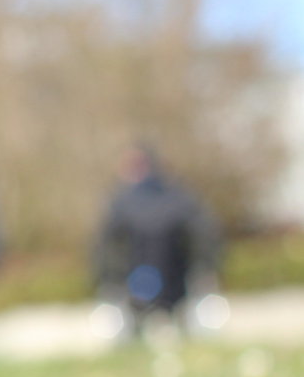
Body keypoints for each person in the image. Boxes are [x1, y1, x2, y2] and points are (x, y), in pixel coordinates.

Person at [94, 142, 221, 333]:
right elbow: (205, 232)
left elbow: (103, 242)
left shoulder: (122, 201)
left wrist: (106, 277)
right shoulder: (178, 195)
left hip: (148, 282)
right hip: (173, 285)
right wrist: (206, 267)